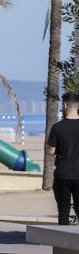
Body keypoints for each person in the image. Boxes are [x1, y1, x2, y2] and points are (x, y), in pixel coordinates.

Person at [46, 92, 79, 225]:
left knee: (63, 211)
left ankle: (63, 243)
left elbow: (50, 151)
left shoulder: (58, 127)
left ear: (65, 105)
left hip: (63, 175)